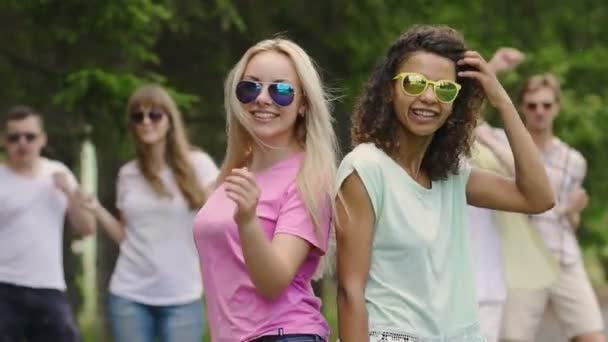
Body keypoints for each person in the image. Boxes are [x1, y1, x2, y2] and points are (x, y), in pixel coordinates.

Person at [335, 25, 554, 342]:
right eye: (414, 83)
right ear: (389, 90)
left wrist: (501, 100)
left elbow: (538, 197)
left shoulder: (451, 174)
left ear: (456, 102)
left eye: (444, 89)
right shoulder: (366, 169)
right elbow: (349, 291)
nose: (427, 97)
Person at [193, 38, 338, 342]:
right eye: (250, 87)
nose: (261, 99)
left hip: (284, 334)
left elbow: (273, 282)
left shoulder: (309, 178)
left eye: (281, 91)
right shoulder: (236, 172)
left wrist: (247, 222)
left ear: (303, 105)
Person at [90, 84, 219, 342]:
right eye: (138, 116)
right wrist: (95, 209)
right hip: (129, 295)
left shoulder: (199, 166)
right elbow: (125, 235)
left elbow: (215, 222)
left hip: (183, 296)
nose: (146, 121)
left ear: (170, 120)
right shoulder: (128, 174)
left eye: (155, 114)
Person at [500, 74, 605, 342]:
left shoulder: (574, 160)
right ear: (522, 107)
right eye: (532, 105)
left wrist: (573, 210)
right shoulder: (505, 146)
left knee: (593, 336)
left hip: (564, 258)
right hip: (523, 260)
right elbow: (474, 125)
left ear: (557, 107)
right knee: (513, 339)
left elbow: (571, 224)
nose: (539, 112)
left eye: (546, 105)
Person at [0, 105, 96, 342]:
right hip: (4, 287)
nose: (22, 143)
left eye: (30, 137)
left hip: (48, 286)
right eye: (14, 137)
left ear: (42, 139)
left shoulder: (58, 172)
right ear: (3, 141)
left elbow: (86, 228)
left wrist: (71, 195)